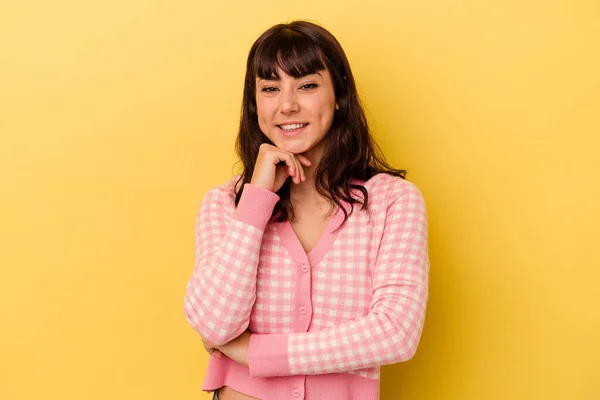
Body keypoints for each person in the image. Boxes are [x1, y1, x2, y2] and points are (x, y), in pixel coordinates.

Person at [184, 20, 430, 400]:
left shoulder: (393, 203)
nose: (287, 105)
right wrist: (256, 199)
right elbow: (215, 326)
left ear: (339, 95)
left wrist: (256, 352)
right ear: (254, 104)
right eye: (269, 89)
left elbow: (395, 332)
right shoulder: (225, 204)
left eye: (307, 85)